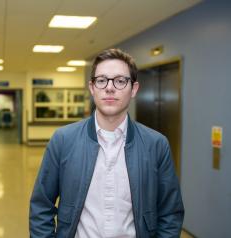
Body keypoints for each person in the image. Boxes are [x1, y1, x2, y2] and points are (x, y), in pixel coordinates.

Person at [29, 49, 184, 238]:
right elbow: (41, 206)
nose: (110, 88)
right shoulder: (63, 140)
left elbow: (170, 213)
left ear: (134, 89)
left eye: (120, 81)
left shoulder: (156, 145)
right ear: (92, 87)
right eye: (102, 80)